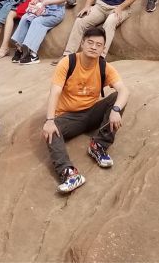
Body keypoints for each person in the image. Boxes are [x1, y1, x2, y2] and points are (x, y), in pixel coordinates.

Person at [43, 28, 130, 193]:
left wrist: (116, 110)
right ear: (82, 43)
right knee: (51, 130)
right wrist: (49, 120)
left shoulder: (104, 67)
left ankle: (98, 145)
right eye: (90, 42)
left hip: (91, 112)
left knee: (117, 98)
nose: (94, 47)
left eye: (99, 44)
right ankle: (69, 174)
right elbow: (55, 91)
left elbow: (124, 90)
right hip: (68, 117)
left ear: (103, 48)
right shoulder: (68, 63)